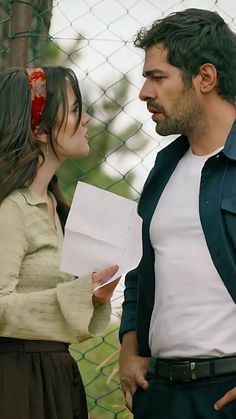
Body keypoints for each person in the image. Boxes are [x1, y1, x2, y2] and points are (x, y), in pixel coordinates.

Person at [119, 7, 236, 419]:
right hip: (159, 393)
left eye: (157, 77)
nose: (144, 92)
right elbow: (138, 267)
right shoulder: (163, 168)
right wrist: (129, 345)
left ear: (205, 77)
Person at [0, 66, 120, 419]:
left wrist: (96, 294)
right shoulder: (10, 209)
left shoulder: (59, 210)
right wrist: (80, 294)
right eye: (74, 109)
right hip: (16, 385)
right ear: (39, 129)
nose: (86, 120)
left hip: (54, 377)